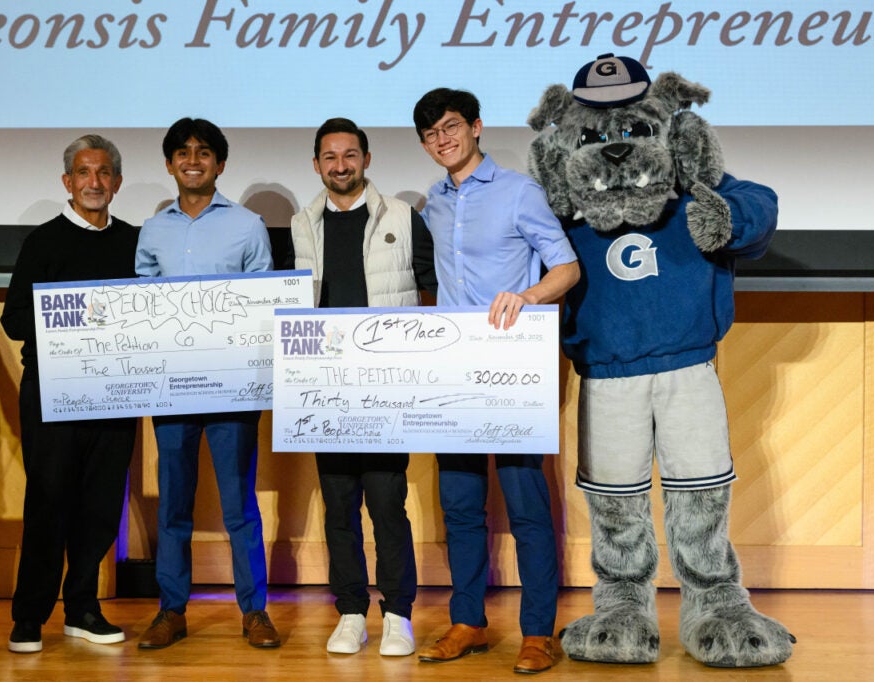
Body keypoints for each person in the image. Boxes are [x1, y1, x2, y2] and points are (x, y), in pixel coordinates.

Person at [412, 89, 580, 674]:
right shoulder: (432, 202)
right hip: (453, 371)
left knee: (526, 504)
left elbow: (567, 266)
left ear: (477, 127)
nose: (443, 140)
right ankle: (469, 623)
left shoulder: (518, 192)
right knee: (460, 505)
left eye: (452, 127)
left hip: (512, 369)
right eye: (431, 134)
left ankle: (538, 633)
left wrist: (528, 297)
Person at [290, 117, 436, 656]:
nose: (340, 165)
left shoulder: (401, 215)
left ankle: (398, 613)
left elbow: (432, 288)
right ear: (316, 165)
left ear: (366, 159)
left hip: (385, 386)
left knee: (386, 503)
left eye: (350, 155)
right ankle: (350, 610)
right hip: (324, 388)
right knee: (338, 507)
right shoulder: (301, 222)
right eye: (330, 157)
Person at [134, 118, 279, 649]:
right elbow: (142, 308)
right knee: (173, 503)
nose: (193, 160)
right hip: (171, 388)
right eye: (182, 152)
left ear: (220, 164)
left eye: (204, 152)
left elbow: (265, 305)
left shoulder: (247, 225)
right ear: (170, 164)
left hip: (231, 387)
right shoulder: (153, 230)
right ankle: (171, 610)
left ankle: (255, 612)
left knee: (238, 503)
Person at [1, 134, 139, 653]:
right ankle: (29, 615)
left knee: (102, 506)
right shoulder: (42, 242)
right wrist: (77, 326)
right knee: (49, 503)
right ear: (68, 182)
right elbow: (14, 319)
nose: (94, 183)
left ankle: (82, 607)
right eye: (84, 173)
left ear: (117, 182)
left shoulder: (133, 242)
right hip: (52, 396)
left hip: (116, 395)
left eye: (104, 173)